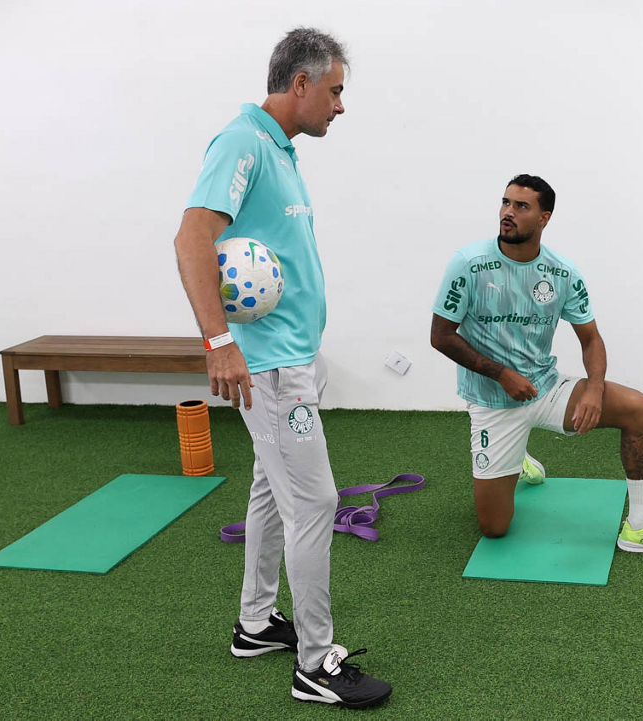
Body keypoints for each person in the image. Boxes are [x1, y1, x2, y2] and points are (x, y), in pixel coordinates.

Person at [172, 28, 391, 709]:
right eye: (334, 92)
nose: (340, 106)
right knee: (317, 501)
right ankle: (315, 662)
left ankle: (256, 621)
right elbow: (192, 236)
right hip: (267, 368)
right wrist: (218, 340)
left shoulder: (280, 150)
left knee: (273, 488)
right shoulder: (241, 143)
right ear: (299, 85)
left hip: (292, 357)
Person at [429, 175, 643, 561]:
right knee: (494, 528)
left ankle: (640, 525)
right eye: (506, 203)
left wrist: (594, 387)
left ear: (545, 218)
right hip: (493, 400)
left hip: (546, 388)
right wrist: (501, 374)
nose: (508, 213)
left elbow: (591, 339)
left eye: (521, 207)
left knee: (640, 408)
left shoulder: (561, 273)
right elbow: (441, 336)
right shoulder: (468, 264)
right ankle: (516, 457)